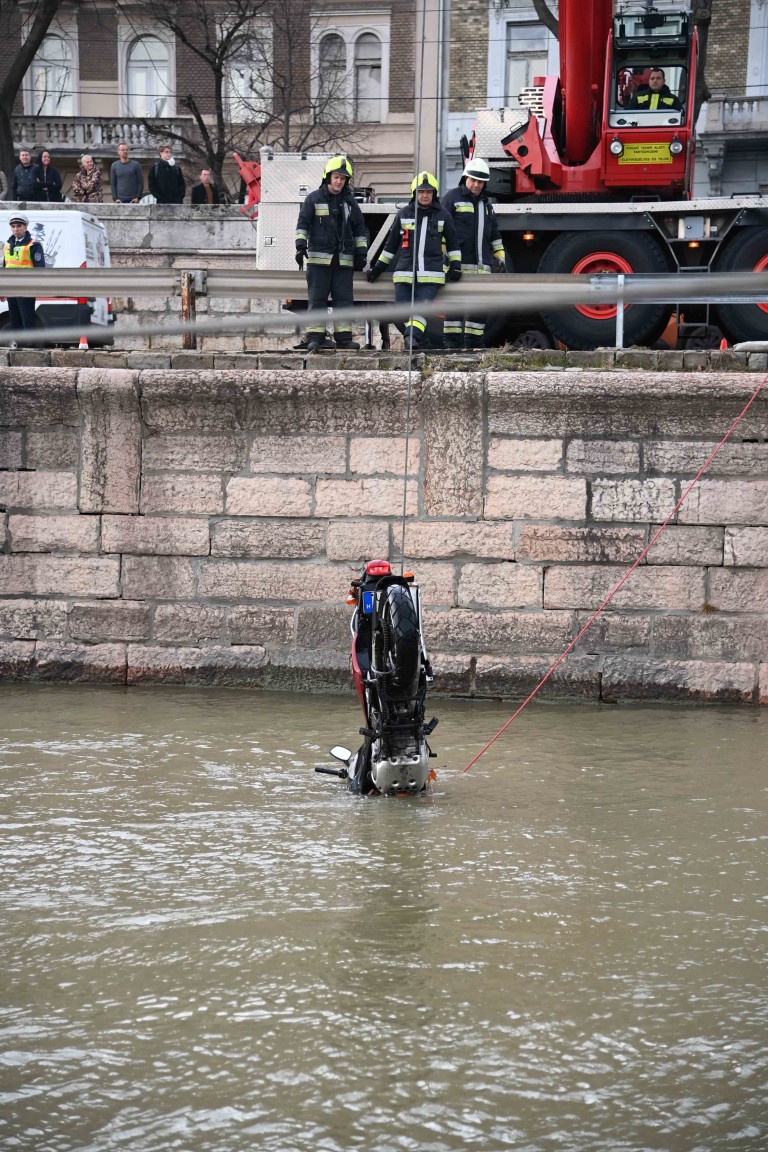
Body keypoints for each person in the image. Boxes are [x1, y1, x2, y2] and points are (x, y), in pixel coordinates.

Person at [367, 171, 461, 351]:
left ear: (434, 193)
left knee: (420, 311)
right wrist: (378, 268)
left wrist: (455, 265)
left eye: (429, 192)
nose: (425, 195)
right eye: (421, 191)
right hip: (404, 274)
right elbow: (391, 245)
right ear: (414, 193)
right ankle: (422, 343)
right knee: (404, 311)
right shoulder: (403, 214)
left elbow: (453, 243)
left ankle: (410, 338)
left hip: (431, 276)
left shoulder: (444, 215)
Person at [294, 154, 367, 352]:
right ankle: (315, 338)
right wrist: (300, 246)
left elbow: (360, 229)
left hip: (343, 261)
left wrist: (361, 253)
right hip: (319, 261)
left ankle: (343, 339)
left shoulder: (350, 203)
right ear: (328, 177)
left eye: (342, 178)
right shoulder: (313, 199)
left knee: (343, 301)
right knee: (317, 300)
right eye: (336, 177)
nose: (339, 181)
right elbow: (303, 224)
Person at [442, 157, 506, 350]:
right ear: (465, 178)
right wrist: (444, 253)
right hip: (457, 267)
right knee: (454, 308)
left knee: (479, 310)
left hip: (482, 269)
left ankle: (474, 344)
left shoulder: (486, 205)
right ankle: (451, 346)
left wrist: (500, 254)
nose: (477, 185)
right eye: (474, 180)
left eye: (481, 182)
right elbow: (440, 228)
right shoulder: (452, 198)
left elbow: (494, 233)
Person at [1, 212, 46, 348]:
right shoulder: (7, 246)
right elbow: (5, 269)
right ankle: (19, 347)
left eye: (19, 226)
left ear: (25, 227)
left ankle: (30, 348)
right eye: (13, 226)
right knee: (15, 321)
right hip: (11, 289)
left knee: (28, 320)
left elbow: (40, 269)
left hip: (26, 288)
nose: (16, 229)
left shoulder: (33, 245)